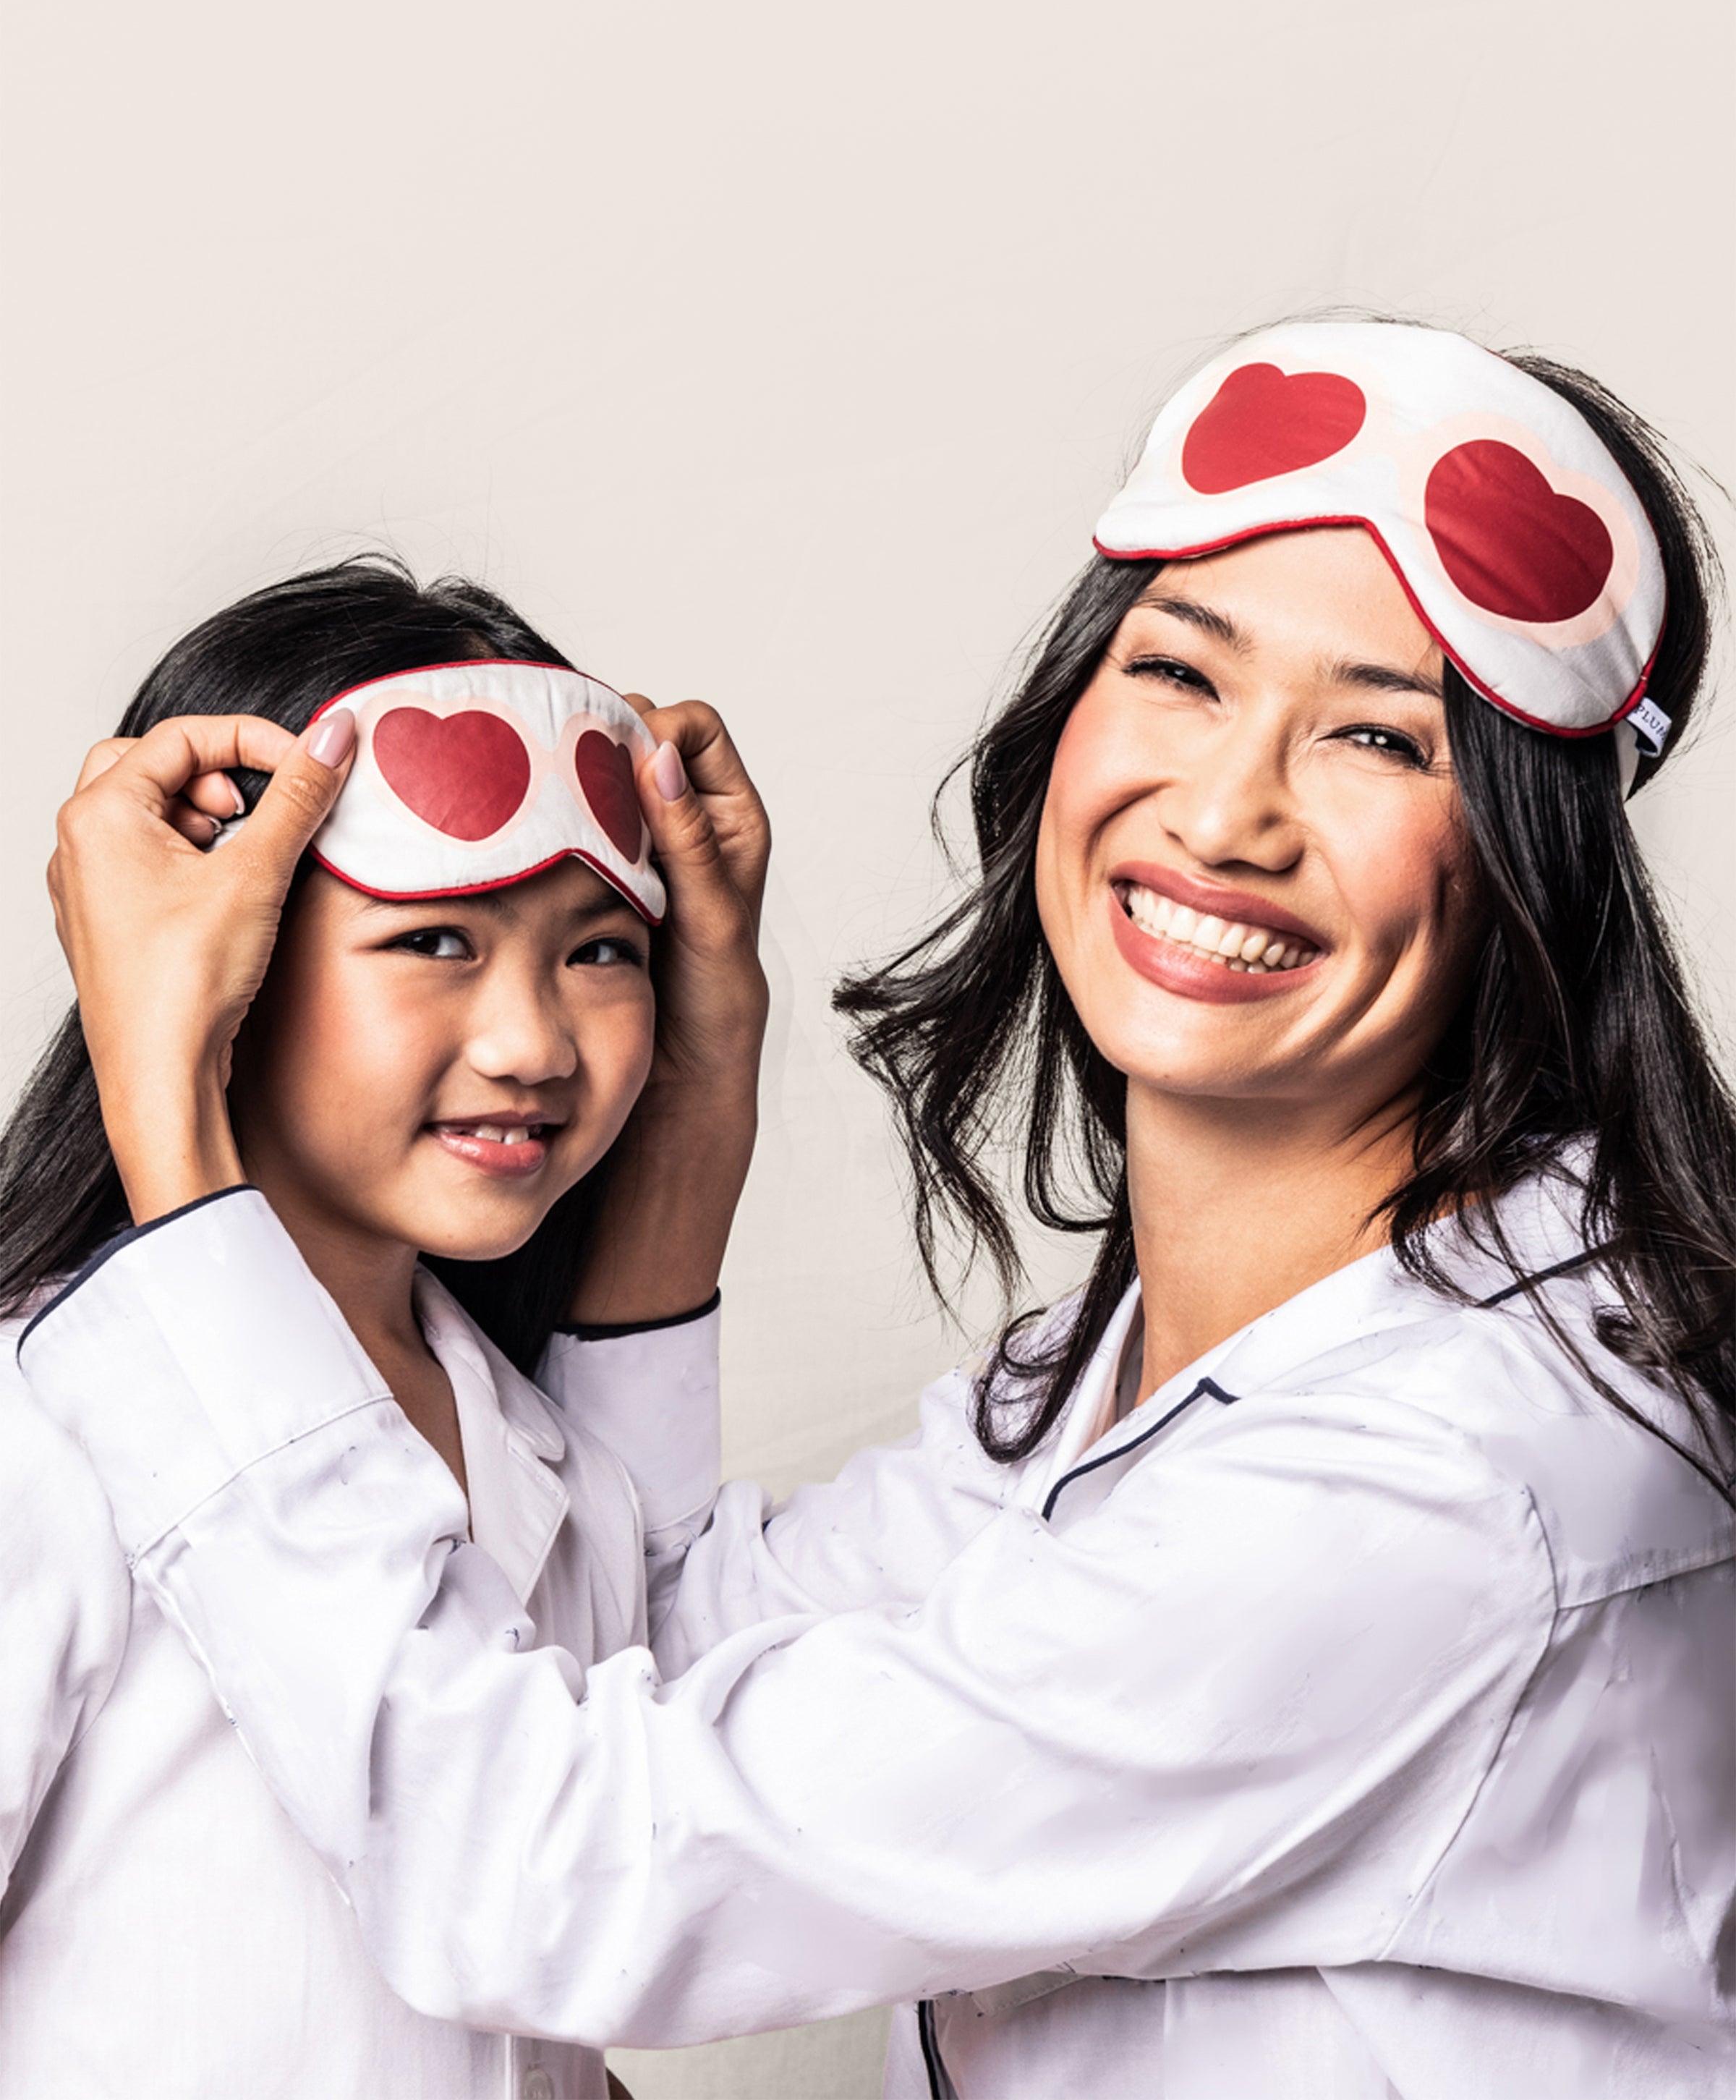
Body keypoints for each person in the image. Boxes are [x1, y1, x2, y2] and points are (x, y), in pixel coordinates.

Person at [22, 322, 1736, 2099]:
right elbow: (632, 1646)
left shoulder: (1442, 1478)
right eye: (1179, 673)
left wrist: (174, 1130)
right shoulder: (1134, 1381)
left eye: (1384, 739)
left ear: (1537, 861)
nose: (1227, 813)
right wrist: (694, 1084)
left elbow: (552, 1863)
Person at [0, 560, 766, 2100]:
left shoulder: (539, 1445)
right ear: (225, 952)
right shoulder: (45, 1426)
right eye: (436, 940)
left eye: (597, 947)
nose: (532, 1040)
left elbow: (512, 1993)